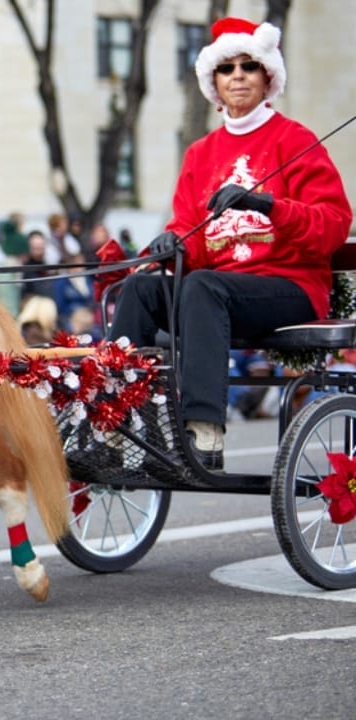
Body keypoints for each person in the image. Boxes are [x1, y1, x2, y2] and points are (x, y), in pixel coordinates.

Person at [107, 18, 352, 470]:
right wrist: (173, 243)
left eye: (249, 66)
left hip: (288, 288)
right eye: (227, 68)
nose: (237, 75)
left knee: (203, 286)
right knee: (142, 290)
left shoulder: (295, 140)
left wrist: (268, 205)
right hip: (219, 293)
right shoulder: (200, 153)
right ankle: (119, 422)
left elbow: (334, 224)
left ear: (268, 78)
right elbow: (193, 238)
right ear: (213, 82)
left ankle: (205, 432)